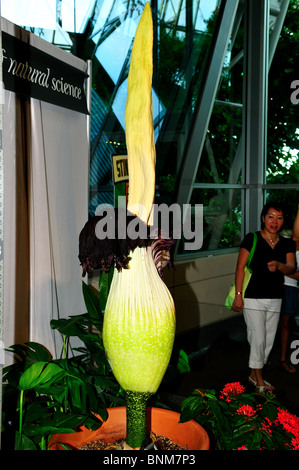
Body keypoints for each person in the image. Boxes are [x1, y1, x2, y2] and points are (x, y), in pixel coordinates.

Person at [232, 202, 296, 393]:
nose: (274, 221)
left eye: (279, 217)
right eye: (271, 216)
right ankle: (259, 380)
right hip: (253, 297)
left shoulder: (286, 243)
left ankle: (253, 374)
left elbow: (291, 268)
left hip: (276, 297)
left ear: (283, 221)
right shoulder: (251, 239)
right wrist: (238, 295)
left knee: (268, 340)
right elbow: (240, 268)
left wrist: (279, 266)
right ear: (263, 218)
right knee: (258, 338)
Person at [280, 237, 299, 373]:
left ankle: (282, 359)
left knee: (286, 323)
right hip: (274, 287)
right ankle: (263, 358)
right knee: (269, 323)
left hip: (290, 289)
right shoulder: (283, 243)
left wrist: (281, 270)